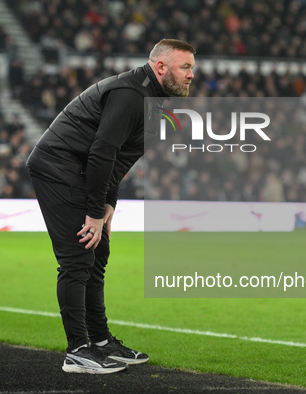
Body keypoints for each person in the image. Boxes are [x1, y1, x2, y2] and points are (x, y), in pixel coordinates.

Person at [26, 39, 196, 374]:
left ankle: (101, 342)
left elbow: (119, 158)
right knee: (79, 255)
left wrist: (108, 204)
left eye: (192, 67)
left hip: (82, 171)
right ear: (161, 67)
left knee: (98, 252)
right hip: (59, 167)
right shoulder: (132, 95)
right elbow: (102, 152)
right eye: (186, 66)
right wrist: (93, 213)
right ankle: (77, 350)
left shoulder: (154, 99)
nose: (192, 74)